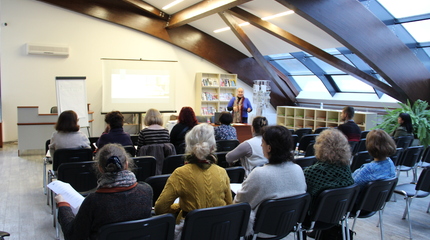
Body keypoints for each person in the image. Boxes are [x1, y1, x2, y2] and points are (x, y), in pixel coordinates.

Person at [54, 143, 153, 240]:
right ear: (126, 164)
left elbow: (72, 236)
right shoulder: (146, 191)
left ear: (100, 168)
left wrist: (63, 205)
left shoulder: (93, 202)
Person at [234, 125, 307, 237]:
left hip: (260, 230)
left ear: (269, 148)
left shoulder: (259, 173)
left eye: (262, 142)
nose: (260, 145)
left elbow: (239, 203)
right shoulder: (298, 170)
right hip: (288, 225)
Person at [154, 123, 232, 228]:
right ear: (213, 147)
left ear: (189, 147)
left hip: (189, 230)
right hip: (218, 230)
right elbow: (229, 205)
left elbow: (160, 208)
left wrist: (178, 207)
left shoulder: (180, 173)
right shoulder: (222, 172)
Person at [304, 128, 354, 212]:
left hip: (312, 218)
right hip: (338, 215)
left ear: (319, 147)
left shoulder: (310, 172)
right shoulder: (346, 170)